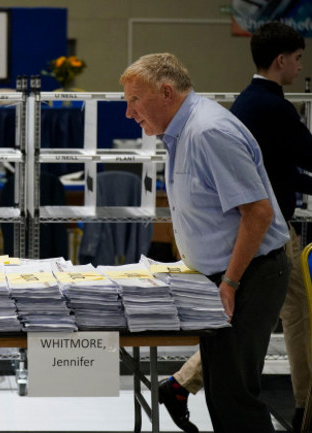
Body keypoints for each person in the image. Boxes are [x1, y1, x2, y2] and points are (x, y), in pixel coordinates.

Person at [120, 53, 290, 432]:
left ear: (166, 92)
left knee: (234, 396)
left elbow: (258, 214)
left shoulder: (209, 132)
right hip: (226, 276)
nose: (129, 113)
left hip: (249, 274)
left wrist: (229, 282)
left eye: (134, 100)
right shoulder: (180, 133)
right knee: (220, 389)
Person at [157, 22, 312, 433]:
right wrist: (226, 278)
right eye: (298, 59)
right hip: (257, 244)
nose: (299, 67)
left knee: (235, 372)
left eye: (134, 101)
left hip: (252, 247)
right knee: (284, 330)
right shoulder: (267, 109)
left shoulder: (236, 108)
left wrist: (228, 278)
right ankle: (303, 406)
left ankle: (181, 384)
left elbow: (263, 193)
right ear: (282, 59)